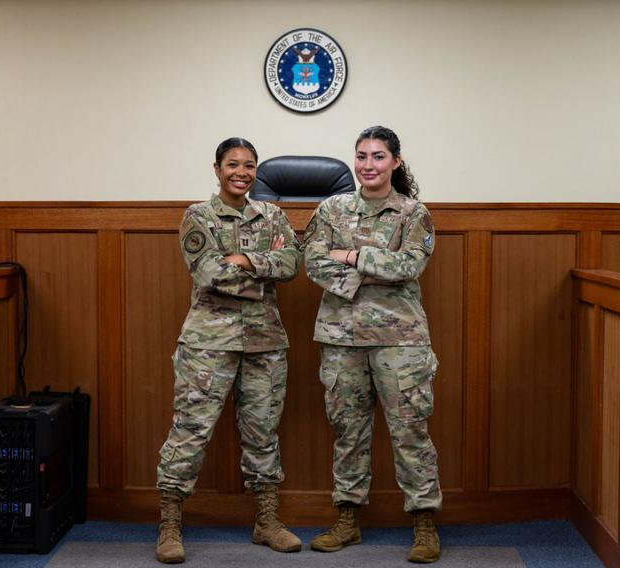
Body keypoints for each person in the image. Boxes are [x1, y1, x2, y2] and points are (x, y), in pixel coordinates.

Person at [155, 137, 303, 564]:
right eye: (233, 164)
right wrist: (260, 266)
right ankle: (169, 524)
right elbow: (208, 275)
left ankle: (266, 522)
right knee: (191, 430)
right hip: (208, 343)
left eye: (250, 165)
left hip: (265, 343)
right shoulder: (197, 216)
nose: (242, 172)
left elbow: (292, 264)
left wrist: (244, 261)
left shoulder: (272, 214)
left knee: (262, 433)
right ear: (217, 168)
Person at [304, 126, 442, 563]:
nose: (368, 165)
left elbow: (409, 265)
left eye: (378, 156)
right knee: (348, 430)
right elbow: (312, 260)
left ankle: (424, 524)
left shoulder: (412, 213)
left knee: (410, 432)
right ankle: (347, 520)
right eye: (361, 156)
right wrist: (366, 270)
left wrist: (351, 255)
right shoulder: (332, 208)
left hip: (400, 340)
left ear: (395, 162)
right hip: (341, 337)